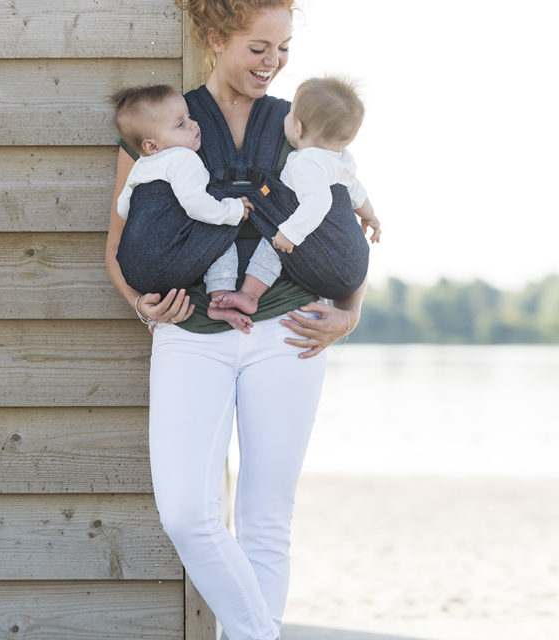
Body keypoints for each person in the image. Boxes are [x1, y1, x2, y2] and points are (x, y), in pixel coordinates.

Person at [105, 1, 368, 638]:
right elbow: (119, 244)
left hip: (290, 331)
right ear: (215, 39)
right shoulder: (165, 117)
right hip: (190, 334)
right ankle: (262, 633)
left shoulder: (301, 120)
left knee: (266, 517)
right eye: (258, 47)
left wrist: (350, 316)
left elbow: (345, 226)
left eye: (282, 50)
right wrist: (142, 305)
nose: (272, 63)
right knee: (187, 514)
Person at [210, 75, 381, 320]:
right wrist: (370, 216)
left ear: (298, 129)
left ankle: (249, 294)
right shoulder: (342, 159)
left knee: (272, 245)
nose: (285, 117)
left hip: (309, 236)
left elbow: (319, 202)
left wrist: (290, 233)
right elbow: (356, 190)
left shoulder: (306, 162)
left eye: (290, 114)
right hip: (354, 264)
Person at [112, 84, 256, 332]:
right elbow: (195, 205)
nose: (193, 124)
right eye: (180, 124)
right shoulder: (183, 158)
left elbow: (123, 208)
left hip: (132, 271)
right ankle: (220, 296)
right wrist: (231, 211)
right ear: (152, 146)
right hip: (164, 267)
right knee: (224, 218)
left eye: (189, 117)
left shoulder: (141, 166)